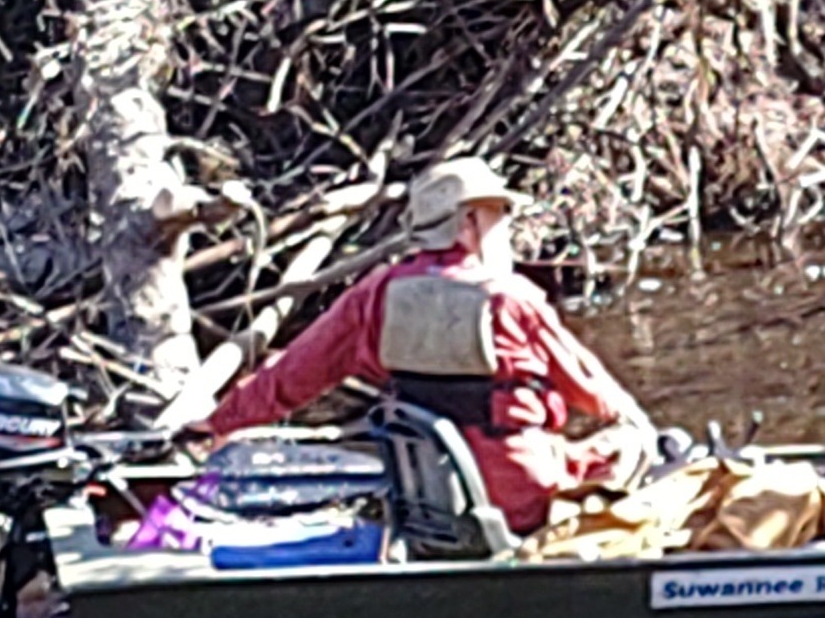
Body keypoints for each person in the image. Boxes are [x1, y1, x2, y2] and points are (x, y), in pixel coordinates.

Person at [195, 156, 663, 533]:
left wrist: (217, 424)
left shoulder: (375, 295)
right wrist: (635, 429)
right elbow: (593, 393)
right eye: (499, 215)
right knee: (639, 442)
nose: (505, 227)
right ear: (469, 222)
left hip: (428, 490)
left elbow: (290, 377)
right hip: (522, 496)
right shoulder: (511, 300)